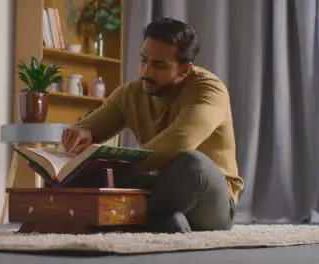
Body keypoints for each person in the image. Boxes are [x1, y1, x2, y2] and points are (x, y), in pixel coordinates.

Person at [61, 17, 244, 233]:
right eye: (143, 60)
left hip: (208, 200)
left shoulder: (209, 90)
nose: (146, 71)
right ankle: (158, 220)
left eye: (159, 65)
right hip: (159, 190)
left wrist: (121, 166)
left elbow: (179, 142)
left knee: (193, 163)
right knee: (86, 170)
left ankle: (143, 219)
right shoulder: (132, 92)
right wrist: (82, 132)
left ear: (184, 70)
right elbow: (90, 126)